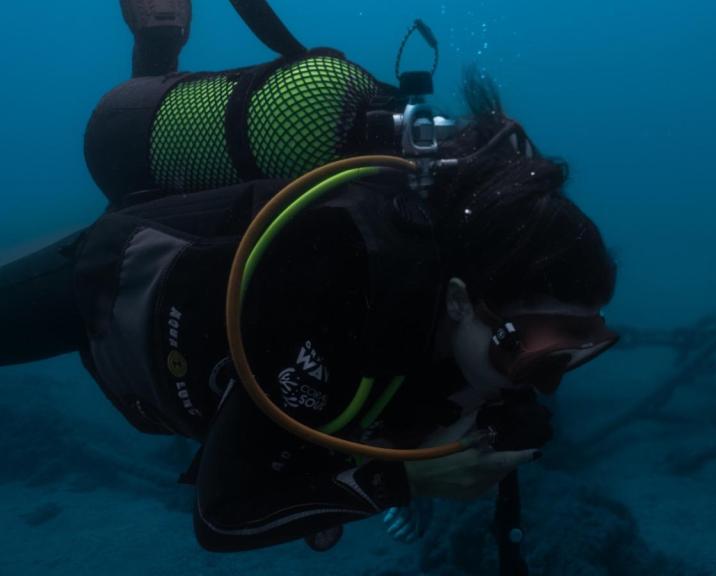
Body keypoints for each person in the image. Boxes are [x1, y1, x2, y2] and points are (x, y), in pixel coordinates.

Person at [0, 0, 619, 558]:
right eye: (531, 356)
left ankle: (157, 56)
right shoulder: (341, 290)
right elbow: (222, 516)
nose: (544, 384)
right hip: (109, 278)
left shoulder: (463, 294)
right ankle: (156, 47)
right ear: (457, 300)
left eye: (570, 355)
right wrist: (400, 482)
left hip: (214, 240)